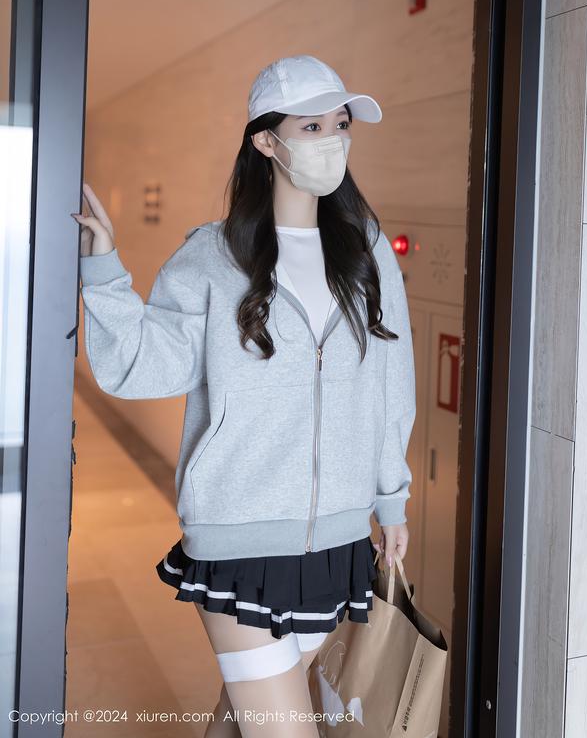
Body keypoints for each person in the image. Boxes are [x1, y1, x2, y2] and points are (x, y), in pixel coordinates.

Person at [72, 54, 417, 737]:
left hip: (339, 541)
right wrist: (104, 272)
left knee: (244, 722)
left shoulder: (368, 252)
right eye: (312, 127)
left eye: (340, 125)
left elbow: (390, 383)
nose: (332, 141)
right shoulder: (214, 255)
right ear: (266, 141)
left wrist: (391, 498)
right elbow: (142, 364)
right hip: (239, 541)